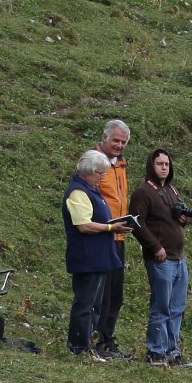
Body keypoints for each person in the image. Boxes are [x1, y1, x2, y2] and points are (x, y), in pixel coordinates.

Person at [128, 148, 192, 366]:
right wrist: (155, 246)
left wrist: (183, 218)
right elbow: (136, 222)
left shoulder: (172, 190)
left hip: (179, 258)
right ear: (151, 165)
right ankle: (155, 351)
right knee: (161, 306)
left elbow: (176, 218)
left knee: (177, 308)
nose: (164, 168)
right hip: (161, 259)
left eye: (167, 164)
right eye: (160, 164)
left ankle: (172, 351)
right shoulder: (143, 192)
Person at [62, 149, 125, 360]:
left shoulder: (92, 190)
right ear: (88, 171)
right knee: (85, 304)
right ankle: (78, 347)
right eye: (100, 173)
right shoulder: (78, 192)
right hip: (86, 258)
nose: (102, 178)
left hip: (98, 258)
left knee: (96, 306)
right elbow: (84, 225)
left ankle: (89, 345)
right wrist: (111, 228)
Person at [92, 119, 131, 359]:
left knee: (116, 293)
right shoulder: (95, 162)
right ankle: (95, 340)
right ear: (105, 138)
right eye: (115, 140)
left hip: (119, 235)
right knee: (102, 294)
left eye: (123, 142)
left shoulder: (121, 164)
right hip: (102, 234)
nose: (119, 145)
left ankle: (107, 338)